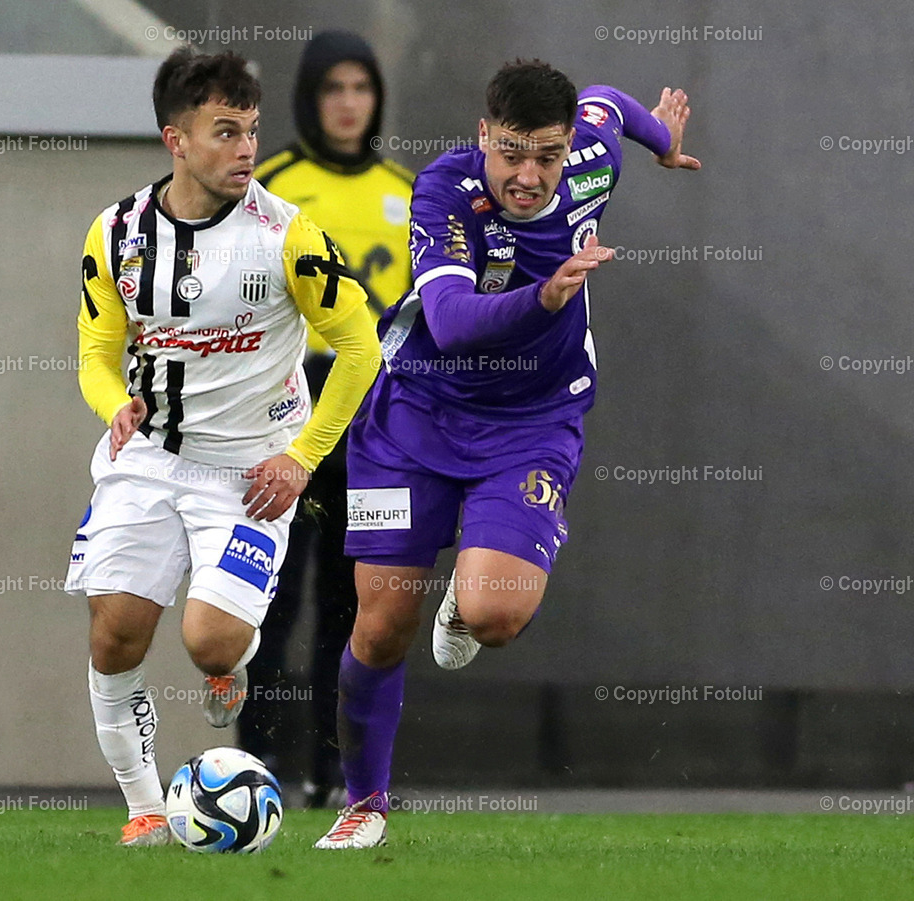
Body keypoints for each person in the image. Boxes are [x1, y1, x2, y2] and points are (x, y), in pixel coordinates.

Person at [314, 60, 701, 849]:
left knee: (493, 615)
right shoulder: (447, 191)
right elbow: (452, 320)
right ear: (484, 133)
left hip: (532, 421)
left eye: (547, 156)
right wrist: (547, 296)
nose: (529, 175)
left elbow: (608, 103)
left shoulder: (589, 158)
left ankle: (471, 586)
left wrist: (660, 140)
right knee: (382, 625)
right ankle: (364, 804)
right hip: (416, 416)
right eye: (513, 151)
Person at [63, 46, 381, 847]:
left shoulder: (286, 234)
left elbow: (361, 348)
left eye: (252, 130)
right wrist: (115, 404)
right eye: (226, 132)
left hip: (254, 471)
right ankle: (143, 805)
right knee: (115, 630)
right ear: (177, 139)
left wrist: (301, 456)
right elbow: (98, 353)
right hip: (152, 456)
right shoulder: (118, 234)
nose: (246, 149)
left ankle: (222, 666)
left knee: (210, 636)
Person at [236, 30, 414, 809]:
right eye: (333, 88)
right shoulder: (268, 184)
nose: (348, 103)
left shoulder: (409, 191)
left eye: (360, 88)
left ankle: (342, 777)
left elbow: (422, 316)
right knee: (269, 605)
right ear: (310, 97)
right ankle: (257, 771)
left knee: (358, 611)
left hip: (373, 426)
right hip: (283, 417)